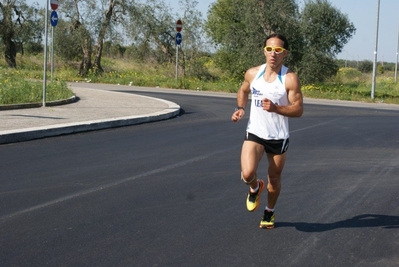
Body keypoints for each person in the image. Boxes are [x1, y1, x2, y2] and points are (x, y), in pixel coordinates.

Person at [231, 33, 303, 229]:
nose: (273, 54)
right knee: (247, 173)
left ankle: (269, 213)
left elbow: (298, 110)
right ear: (264, 51)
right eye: (269, 49)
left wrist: (276, 108)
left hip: (278, 137)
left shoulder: (289, 79)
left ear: (284, 54)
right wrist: (240, 108)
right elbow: (243, 90)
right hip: (255, 132)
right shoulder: (253, 73)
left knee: (274, 178)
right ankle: (255, 187)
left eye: (278, 50)